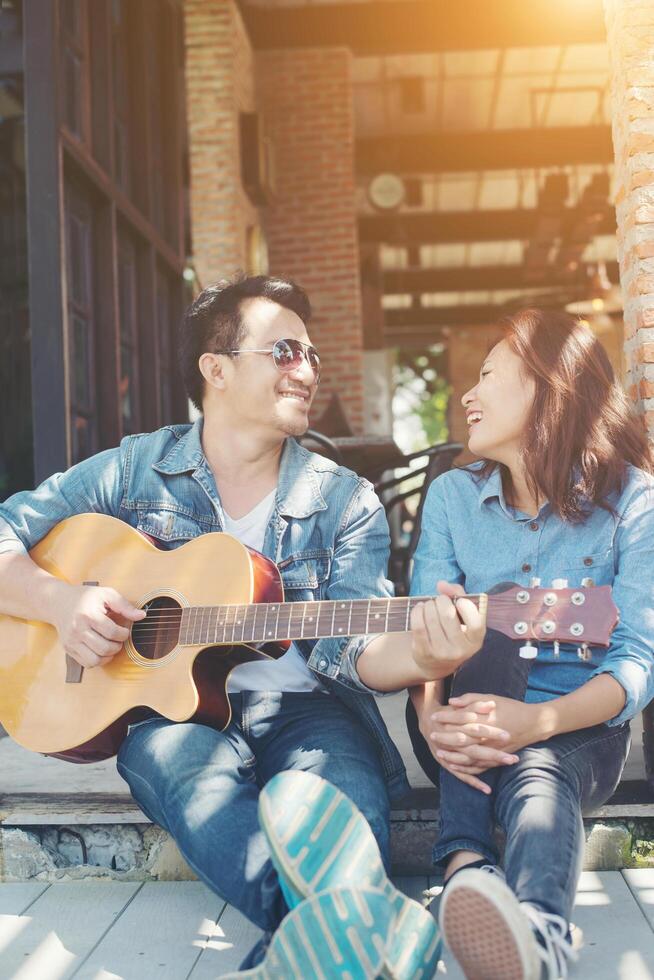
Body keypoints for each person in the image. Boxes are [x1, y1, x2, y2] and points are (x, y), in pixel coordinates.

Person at [0, 274, 463, 978]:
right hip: (175, 718)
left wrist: (425, 655)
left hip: (312, 712)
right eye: (283, 351)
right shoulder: (135, 469)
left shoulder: (346, 502)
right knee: (177, 766)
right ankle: (357, 936)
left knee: (340, 803)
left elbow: (355, 646)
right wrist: (61, 604)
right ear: (216, 369)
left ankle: (301, 951)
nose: (305, 370)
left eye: (310, 354)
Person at [406, 309, 654, 980]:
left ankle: (510, 910)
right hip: (456, 718)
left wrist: (538, 720)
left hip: (581, 724)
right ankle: (471, 870)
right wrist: (431, 719)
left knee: (537, 766)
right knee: (480, 640)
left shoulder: (635, 502)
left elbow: (637, 659)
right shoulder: (452, 498)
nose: (468, 393)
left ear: (548, 387)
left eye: (488, 374)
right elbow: (423, 631)